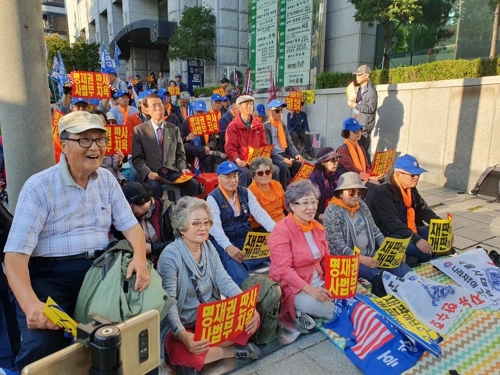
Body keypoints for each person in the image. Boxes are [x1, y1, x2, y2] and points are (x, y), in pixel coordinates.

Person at [3, 111, 149, 372]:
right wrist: (31, 306)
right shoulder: (39, 187)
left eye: (99, 140)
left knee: (138, 326)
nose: (94, 147)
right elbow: (14, 258)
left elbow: (132, 228)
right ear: (64, 144)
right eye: (84, 140)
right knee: (41, 348)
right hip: (50, 278)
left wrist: (139, 257)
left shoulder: (107, 180)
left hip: (100, 273)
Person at [158, 197, 261, 374]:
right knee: (186, 350)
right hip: (182, 325)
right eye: (196, 223)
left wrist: (247, 308)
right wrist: (183, 336)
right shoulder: (170, 256)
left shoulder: (208, 246)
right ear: (182, 228)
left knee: (252, 320)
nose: (203, 227)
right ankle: (229, 351)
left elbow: (225, 281)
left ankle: (209, 352)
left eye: (206, 222)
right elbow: (170, 303)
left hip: (210, 319)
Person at [268, 179, 334, 331]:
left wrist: (336, 278)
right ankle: (297, 311)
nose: (311, 208)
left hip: (319, 280)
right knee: (333, 311)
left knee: (349, 300)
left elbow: (326, 257)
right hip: (293, 288)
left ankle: (308, 312)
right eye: (305, 203)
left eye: (314, 202)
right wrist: (311, 290)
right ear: (291, 205)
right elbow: (284, 270)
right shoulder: (281, 231)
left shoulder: (316, 227)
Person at [323, 172, 410, 283]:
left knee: (398, 263)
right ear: (340, 194)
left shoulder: (362, 205)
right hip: (348, 260)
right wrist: (361, 259)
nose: (356, 195)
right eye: (351, 192)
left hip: (370, 252)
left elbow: (375, 230)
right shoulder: (332, 212)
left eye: (359, 192)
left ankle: (415, 284)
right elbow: (338, 246)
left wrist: (389, 250)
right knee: (378, 276)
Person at [207, 161, 276, 286]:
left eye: (235, 176)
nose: (233, 180)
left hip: (245, 236)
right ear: (218, 178)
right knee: (232, 260)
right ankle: (252, 292)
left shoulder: (245, 192)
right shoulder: (213, 198)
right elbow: (215, 227)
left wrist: (275, 230)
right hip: (224, 240)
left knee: (274, 247)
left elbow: (259, 213)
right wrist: (228, 247)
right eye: (228, 177)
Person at [366, 154, 442, 264]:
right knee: (425, 254)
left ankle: (415, 256)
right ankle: (415, 257)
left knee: (433, 233)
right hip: (391, 234)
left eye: (418, 174)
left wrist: (442, 227)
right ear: (398, 174)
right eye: (412, 175)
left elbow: (423, 209)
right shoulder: (383, 191)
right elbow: (392, 222)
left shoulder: (411, 188)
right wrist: (417, 239)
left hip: (408, 229)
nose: (416, 178)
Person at [132, 93, 200, 199]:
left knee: (193, 184)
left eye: (160, 104)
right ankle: (158, 214)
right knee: (154, 188)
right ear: (146, 110)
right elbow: (137, 159)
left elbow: (180, 154)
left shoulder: (174, 129)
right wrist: (147, 172)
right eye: (154, 106)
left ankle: (184, 211)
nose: (158, 108)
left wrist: (183, 168)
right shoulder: (139, 130)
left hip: (171, 171)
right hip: (152, 172)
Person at [224, 95, 279, 187]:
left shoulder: (258, 124)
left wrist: (266, 158)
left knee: (274, 170)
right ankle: (243, 199)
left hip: (256, 160)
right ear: (239, 107)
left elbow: (263, 144)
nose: (250, 106)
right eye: (247, 104)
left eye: (251, 104)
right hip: (240, 161)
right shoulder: (233, 126)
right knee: (245, 174)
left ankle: (274, 196)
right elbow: (230, 147)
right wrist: (237, 160)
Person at [121, 182, 175, 263]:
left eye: (130, 209)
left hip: (168, 260)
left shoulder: (169, 210)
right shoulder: (131, 217)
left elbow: (181, 242)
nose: (129, 213)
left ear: (141, 201)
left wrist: (153, 248)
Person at [264, 99, 303, 189]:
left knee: (300, 164)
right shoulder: (265, 127)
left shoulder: (282, 125)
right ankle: (282, 190)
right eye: (277, 111)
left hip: (285, 153)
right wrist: (283, 159)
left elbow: (290, 143)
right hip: (274, 156)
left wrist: (297, 154)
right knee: (283, 165)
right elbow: (269, 148)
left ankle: (296, 189)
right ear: (270, 112)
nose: (280, 113)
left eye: (281, 110)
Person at [337, 117, 382, 187]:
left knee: (382, 182)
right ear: (346, 133)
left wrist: (371, 176)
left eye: (360, 130)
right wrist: (369, 178)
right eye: (355, 131)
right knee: (376, 186)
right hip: (351, 182)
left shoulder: (361, 148)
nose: (359, 133)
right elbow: (351, 169)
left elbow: (367, 166)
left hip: (363, 179)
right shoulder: (342, 150)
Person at [180, 100, 219, 173]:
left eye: (201, 112)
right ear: (193, 111)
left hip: (205, 151)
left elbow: (213, 140)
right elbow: (180, 140)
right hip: (190, 152)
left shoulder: (208, 121)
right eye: (197, 112)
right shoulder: (186, 122)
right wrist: (187, 138)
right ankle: (202, 151)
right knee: (186, 146)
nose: (199, 114)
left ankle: (209, 181)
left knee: (209, 159)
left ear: (205, 112)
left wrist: (208, 147)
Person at [248, 157, 286, 229]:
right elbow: (256, 217)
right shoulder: (251, 192)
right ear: (254, 176)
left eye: (267, 172)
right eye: (260, 173)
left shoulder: (277, 184)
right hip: (263, 227)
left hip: (283, 222)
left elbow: (285, 206)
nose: (265, 175)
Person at [348, 65, 378, 156]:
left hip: (364, 127)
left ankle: (366, 169)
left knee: (362, 153)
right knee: (358, 152)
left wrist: (356, 105)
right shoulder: (361, 88)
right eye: (356, 75)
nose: (357, 77)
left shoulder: (371, 91)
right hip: (357, 125)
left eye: (360, 75)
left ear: (367, 75)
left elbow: (371, 108)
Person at [309, 147, 341, 221]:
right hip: (319, 214)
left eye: (337, 159)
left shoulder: (336, 174)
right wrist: (318, 215)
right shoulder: (314, 178)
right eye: (333, 160)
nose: (336, 163)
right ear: (323, 162)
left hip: (335, 209)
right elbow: (310, 201)